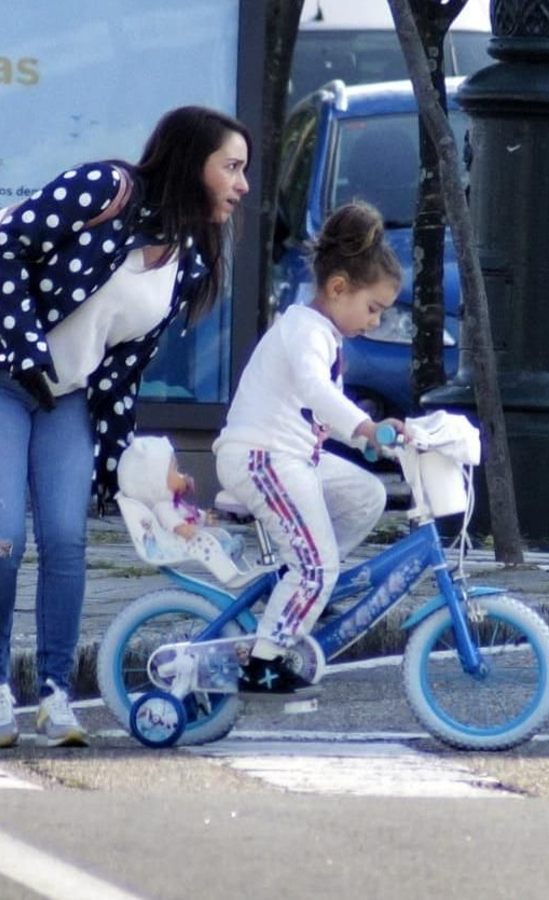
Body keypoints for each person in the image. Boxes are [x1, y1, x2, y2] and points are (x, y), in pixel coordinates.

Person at [0, 106, 251, 748]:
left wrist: (129, 473)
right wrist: (26, 347)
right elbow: (6, 244)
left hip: (68, 398)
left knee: (66, 540)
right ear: (192, 163)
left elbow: (122, 372)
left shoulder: (188, 262)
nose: (241, 185)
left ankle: (54, 695)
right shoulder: (105, 189)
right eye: (231, 167)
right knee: (1, 539)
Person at [212, 201, 405, 693]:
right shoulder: (304, 331)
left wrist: (371, 441)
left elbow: (319, 411)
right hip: (262, 457)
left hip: (292, 457)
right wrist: (366, 426)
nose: (375, 322)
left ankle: (298, 581)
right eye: (373, 309)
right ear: (338, 287)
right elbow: (319, 393)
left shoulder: (323, 334)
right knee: (318, 566)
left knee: (366, 495)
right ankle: (263, 659)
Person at [117, 434, 246, 567]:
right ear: (157, 480)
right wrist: (180, 527)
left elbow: (187, 512)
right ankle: (225, 551)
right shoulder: (162, 507)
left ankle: (227, 548)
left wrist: (203, 517)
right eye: (175, 470)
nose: (181, 475)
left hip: (190, 538)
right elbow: (170, 520)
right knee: (211, 537)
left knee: (217, 534)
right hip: (183, 543)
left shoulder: (172, 504)